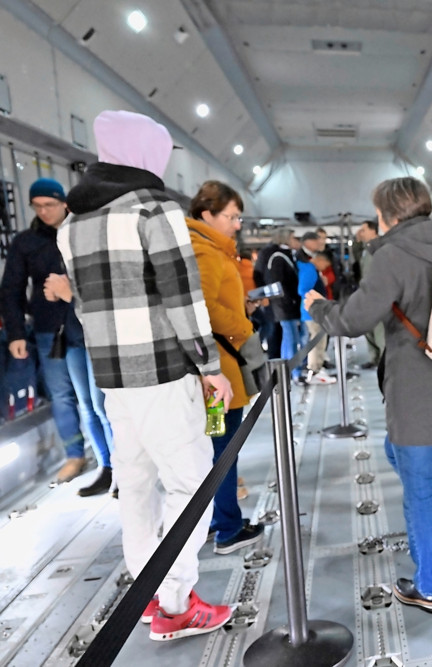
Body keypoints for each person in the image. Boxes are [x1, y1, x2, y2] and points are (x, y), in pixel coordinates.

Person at [56, 109, 234, 641]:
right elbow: (183, 298)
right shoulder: (153, 209)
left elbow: (84, 308)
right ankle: (177, 602)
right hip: (162, 371)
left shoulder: (72, 222)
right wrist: (208, 365)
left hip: (112, 378)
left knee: (134, 485)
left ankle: (150, 591)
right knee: (192, 482)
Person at [305, 177, 432, 614]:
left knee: (415, 484)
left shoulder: (393, 255)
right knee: (400, 455)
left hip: (415, 380)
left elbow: (353, 319)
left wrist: (318, 307)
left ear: (388, 215)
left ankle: (430, 587)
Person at [0, 178, 115, 495]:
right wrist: (15, 333)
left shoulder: (82, 233)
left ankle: (119, 464)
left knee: (99, 400)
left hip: (87, 327)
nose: (44, 211)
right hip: (49, 329)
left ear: (64, 203)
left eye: (49, 204)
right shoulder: (27, 242)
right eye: (37, 206)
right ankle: (78, 455)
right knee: (64, 398)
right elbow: (11, 289)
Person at [186, 180, 265, 555]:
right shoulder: (205, 252)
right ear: (207, 215)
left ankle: (224, 518)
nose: (236, 224)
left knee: (220, 447)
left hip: (218, 370)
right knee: (222, 448)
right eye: (231, 216)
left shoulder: (214, 250)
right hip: (217, 375)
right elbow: (201, 308)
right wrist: (242, 325)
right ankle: (228, 528)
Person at [252, 229, 298, 359]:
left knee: (281, 333)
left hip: (279, 299)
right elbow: (259, 275)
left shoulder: (284, 253)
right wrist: (264, 296)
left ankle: (279, 364)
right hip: (275, 299)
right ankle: (275, 363)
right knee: (275, 331)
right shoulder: (271, 254)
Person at [263, 229, 302, 376]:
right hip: (284, 307)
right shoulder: (278, 258)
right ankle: (294, 371)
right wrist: (289, 301)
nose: (295, 240)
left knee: (289, 338)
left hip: (285, 306)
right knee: (291, 339)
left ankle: (290, 370)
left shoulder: (284, 256)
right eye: (293, 237)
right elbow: (279, 284)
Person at [297, 240, 334, 384]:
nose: (325, 267)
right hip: (311, 311)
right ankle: (315, 369)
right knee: (317, 340)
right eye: (325, 265)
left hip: (312, 310)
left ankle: (315, 368)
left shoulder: (311, 269)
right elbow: (303, 289)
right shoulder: (309, 269)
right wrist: (314, 300)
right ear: (320, 260)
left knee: (318, 339)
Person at [354, 220, 384, 370]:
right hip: (365, 293)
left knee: (380, 329)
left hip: (378, 294)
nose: (361, 233)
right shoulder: (365, 249)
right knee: (368, 328)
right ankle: (374, 357)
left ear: (373, 230)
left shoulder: (380, 246)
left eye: (363, 230)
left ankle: (384, 359)